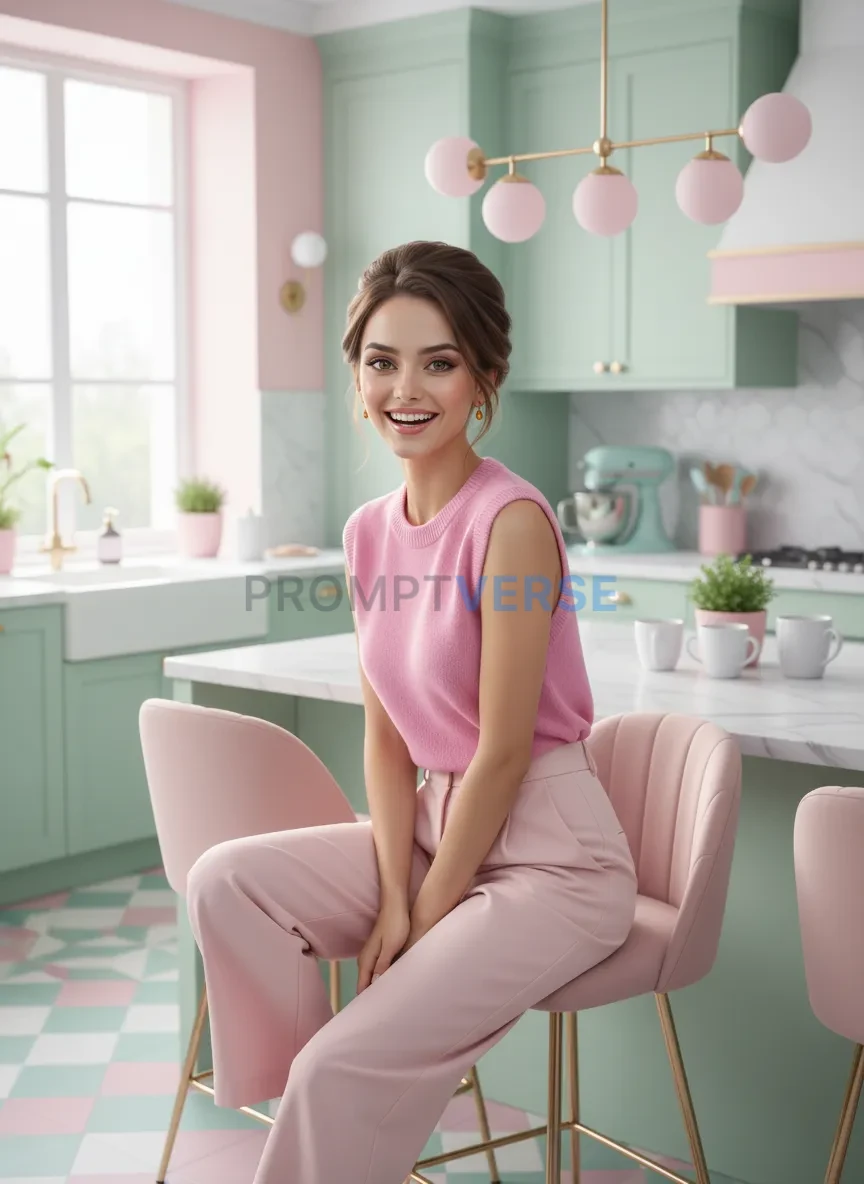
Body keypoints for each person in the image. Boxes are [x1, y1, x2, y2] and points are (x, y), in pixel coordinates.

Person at [186, 240, 638, 1184]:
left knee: (340, 1065)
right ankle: (323, 1104)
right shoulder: (365, 534)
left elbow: (505, 755)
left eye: (439, 361)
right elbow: (388, 739)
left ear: (484, 377)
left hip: (552, 857)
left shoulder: (509, 522)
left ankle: (335, 1088)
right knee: (227, 882)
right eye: (382, 361)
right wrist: (397, 895)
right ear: (355, 377)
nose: (406, 387)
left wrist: (424, 919)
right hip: (437, 827)